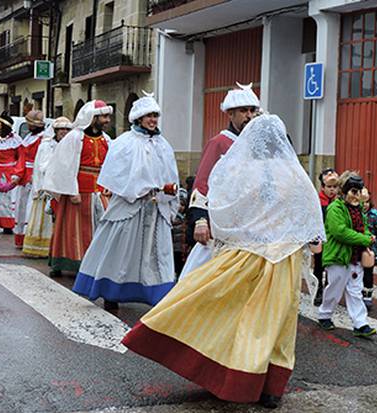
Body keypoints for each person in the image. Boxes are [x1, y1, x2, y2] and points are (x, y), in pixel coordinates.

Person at [122, 114, 325, 409]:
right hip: (283, 259)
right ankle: (269, 388)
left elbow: (221, 206)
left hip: (246, 254)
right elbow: (308, 216)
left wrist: (233, 232)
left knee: (233, 312)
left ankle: (232, 377)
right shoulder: (293, 172)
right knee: (275, 322)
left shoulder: (240, 169)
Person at [72, 94, 179, 310]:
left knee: (155, 251)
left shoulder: (163, 144)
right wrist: (142, 189)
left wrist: (168, 192)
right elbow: (116, 175)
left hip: (156, 207)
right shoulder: (124, 143)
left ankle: (157, 292)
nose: (153, 120)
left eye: (155, 116)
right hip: (130, 206)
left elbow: (171, 173)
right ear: (138, 118)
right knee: (120, 249)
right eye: (149, 116)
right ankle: (112, 291)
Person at [179, 82, 260, 279]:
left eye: (252, 110)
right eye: (243, 111)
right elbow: (202, 183)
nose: (249, 115)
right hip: (221, 223)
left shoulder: (258, 144)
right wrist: (200, 219)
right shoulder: (219, 143)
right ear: (230, 114)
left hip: (250, 224)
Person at [43, 100, 112, 277]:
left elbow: (112, 165)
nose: (107, 120)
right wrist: (72, 191)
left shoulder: (107, 140)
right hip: (79, 192)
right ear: (93, 117)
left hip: (100, 191)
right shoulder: (75, 137)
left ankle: (96, 263)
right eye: (104, 116)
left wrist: (111, 185)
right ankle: (69, 262)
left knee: (102, 227)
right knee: (74, 230)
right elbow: (64, 165)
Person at [317, 171, 377, 338]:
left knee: (355, 291)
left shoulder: (359, 209)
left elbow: (363, 226)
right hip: (338, 256)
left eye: (358, 191)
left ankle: (360, 323)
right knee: (335, 288)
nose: (357, 195)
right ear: (344, 191)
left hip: (355, 257)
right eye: (353, 191)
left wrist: (366, 236)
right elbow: (340, 232)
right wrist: (365, 239)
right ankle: (324, 314)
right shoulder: (334, 208)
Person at [22, 117, 72, 258]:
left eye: (67, 129)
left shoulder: (71, 145)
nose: (64, 132)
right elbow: (43, 166)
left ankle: (58, 249)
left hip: (64, 187)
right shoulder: (46, 145)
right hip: (47, 187)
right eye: (61, 129)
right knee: (44, 220)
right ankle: (41, 249)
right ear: (55, 130)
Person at [13, 110, 46, 248]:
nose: (27, 125)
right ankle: (20, 237)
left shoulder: (43, 139)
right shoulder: (29, 137)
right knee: (21, 206)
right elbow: (22, 157)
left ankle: (30, 237)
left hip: (35, 174)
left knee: (30, 207)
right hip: (25, 173)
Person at [313, 167, 340, 306]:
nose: (332, 190)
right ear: (323, 187)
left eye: (335, 187)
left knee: (332, 268)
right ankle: (318, 290)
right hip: (320, 239)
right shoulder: (317, 201)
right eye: (329, 187)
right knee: (318, 266)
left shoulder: (338, 203)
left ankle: (329, 292)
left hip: (333, 241)